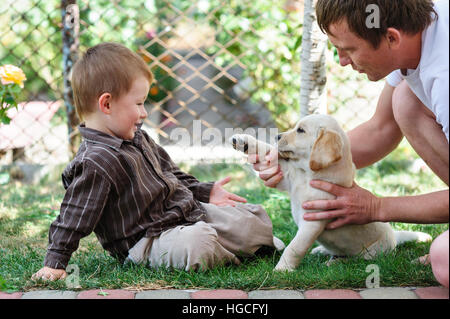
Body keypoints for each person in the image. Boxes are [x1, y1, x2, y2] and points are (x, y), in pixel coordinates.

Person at [32, 42, 282, 281]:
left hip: (186, 213)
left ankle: (243, 242)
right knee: (199, 243)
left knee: (250, 221)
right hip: (147, 241)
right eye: (139, 103)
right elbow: (74, 216)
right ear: (106, 104)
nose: (144, 113)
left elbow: (171, 173)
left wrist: (205, 191)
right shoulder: (95, 162)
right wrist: (54, 262)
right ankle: (229, 253)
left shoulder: (138, 137)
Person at [251, 0, 449, 288]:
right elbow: (380, 129)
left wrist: (377, 208)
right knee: (405, 101)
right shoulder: (416, 37)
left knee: (443, 258)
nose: (342, 60)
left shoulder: (444, 78)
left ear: (391, 37)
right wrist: (296, 158)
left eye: (349, 49)